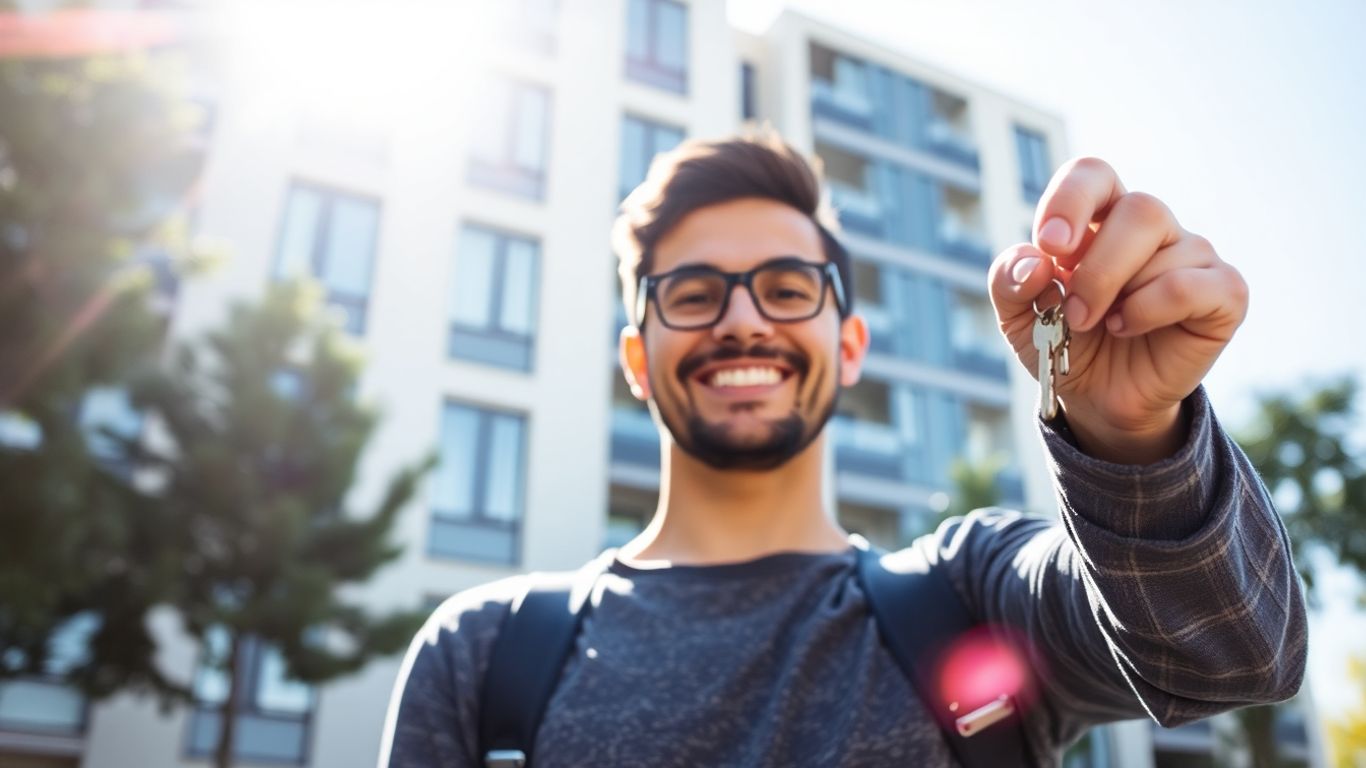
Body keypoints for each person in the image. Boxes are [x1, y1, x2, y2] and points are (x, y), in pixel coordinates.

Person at [378, 132, 1307, 767]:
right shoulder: (482, 654)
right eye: (693, 294)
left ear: (850, 345)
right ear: (636, 359)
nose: (742, 320)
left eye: (787, 288)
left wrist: (1135, 436)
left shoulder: (970, 599)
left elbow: (1231, 656)